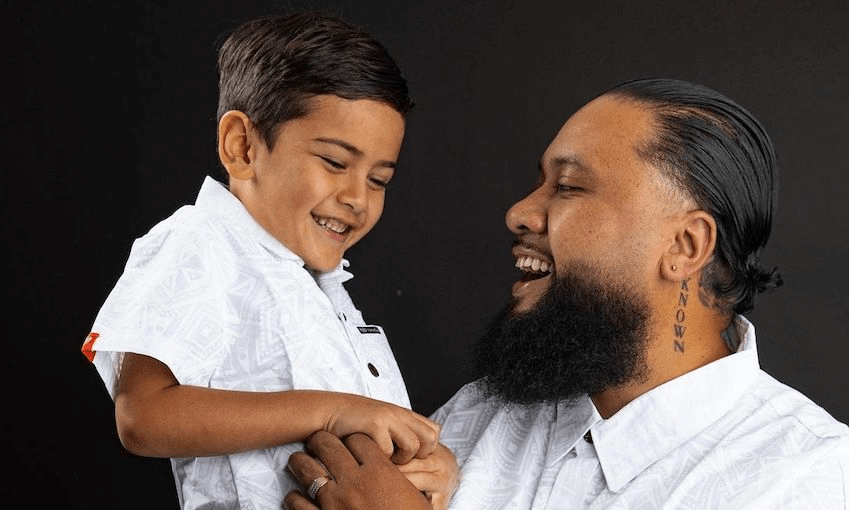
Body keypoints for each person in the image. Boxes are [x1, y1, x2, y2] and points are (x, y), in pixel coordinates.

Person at [283, 78, 849, 509]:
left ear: (686, 244)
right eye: (539, 183)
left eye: (570, 187)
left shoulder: (806, 479)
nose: (520, 212)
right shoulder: (481, 414)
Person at [80, 11, 457, 510]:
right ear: (242, 147)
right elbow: (142, 417)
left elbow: (369, 435)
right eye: (335, 162)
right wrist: (331, 412)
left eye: (379, 180)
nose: (358, 199)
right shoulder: (199, 242)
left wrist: (432, 464)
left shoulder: (321, 288)